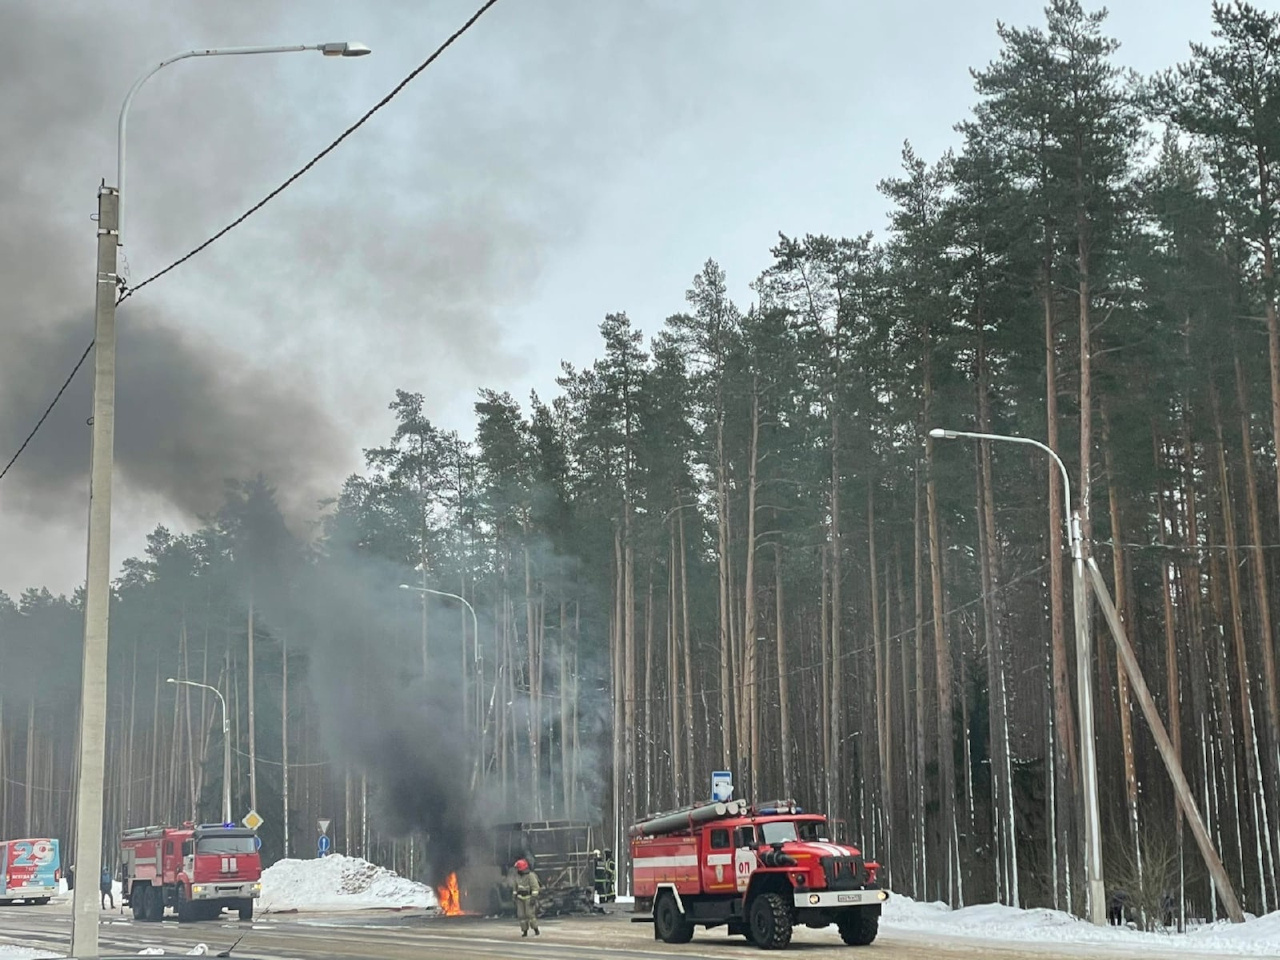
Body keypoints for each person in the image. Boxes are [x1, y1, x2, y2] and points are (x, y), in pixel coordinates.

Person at [511, 858, 540, 937]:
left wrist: (534, 897)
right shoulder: (517, 876)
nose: (517, 870)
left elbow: (535, 887)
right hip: (520, 898)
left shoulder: (531, 876)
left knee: (530, 915)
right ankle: (524, 931)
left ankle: (536, 929)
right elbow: (515, 887)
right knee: (521, 916)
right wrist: (514, 896)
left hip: (528, 898)